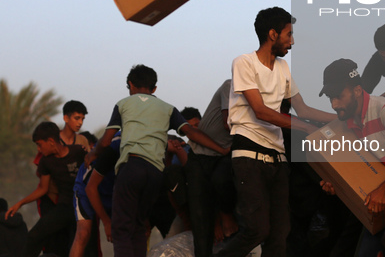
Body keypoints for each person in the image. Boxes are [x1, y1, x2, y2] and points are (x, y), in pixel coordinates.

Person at [214, 6, 334, 257]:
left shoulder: (283, 68)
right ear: (272, 34)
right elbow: (261, 111)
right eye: (288, 35)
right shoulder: (244, 63)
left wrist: (340, 120)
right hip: (249, 158)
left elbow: (302, 108)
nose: (292, 41)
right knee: (257, 230)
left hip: (278, 161)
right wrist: (307, 128)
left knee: (280, 234)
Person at [85, 64, 229, 257]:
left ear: (130, 85)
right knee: (138, 227)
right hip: (154, 174)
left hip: (132, 167)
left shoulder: (123, 104)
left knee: (122, 230)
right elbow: (191, 132)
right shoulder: (167, 108)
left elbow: (106, 140)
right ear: (154, 89)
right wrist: (221, 148)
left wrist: (93, 154)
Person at [318, 58, 385, 257]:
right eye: (330, 98)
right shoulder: (345, 125)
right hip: (379, 202)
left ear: (357, 90)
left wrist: (383, 190)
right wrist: (335, 185)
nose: (334, 104)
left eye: (338, 96)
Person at [5, 121, 86, 257]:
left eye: (39, 144)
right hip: (64, 206)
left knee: (82, 245)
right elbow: (43, 188)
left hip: (83, 206)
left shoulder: (78, 151)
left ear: (51, 141)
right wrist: (20, 203)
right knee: (34, 236)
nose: (38, 149)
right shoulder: (46, 162)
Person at [183, 79, 238, 256]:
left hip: (227, 154)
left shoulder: (261, 100)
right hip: (201, 156)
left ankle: (226, 213)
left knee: (222, 182)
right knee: (200, 218)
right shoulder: (231, 85)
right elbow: (228, 122)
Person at [70, 132, 122, 257]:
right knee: (83, 233)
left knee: (122, 234)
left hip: (113, 192)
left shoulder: (148, 142)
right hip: (86, 187)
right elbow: (90, 189)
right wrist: (106, 222)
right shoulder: (117, 141)